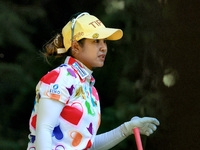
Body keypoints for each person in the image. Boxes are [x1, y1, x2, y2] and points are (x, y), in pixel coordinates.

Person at [27, 12, 160, 150]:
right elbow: (44, 129)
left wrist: (126, 129)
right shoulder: (61, 77)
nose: (104, 47)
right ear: (76, 47)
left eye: (105, 41)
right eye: (96, 41)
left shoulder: (90, 89)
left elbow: (88, 145)